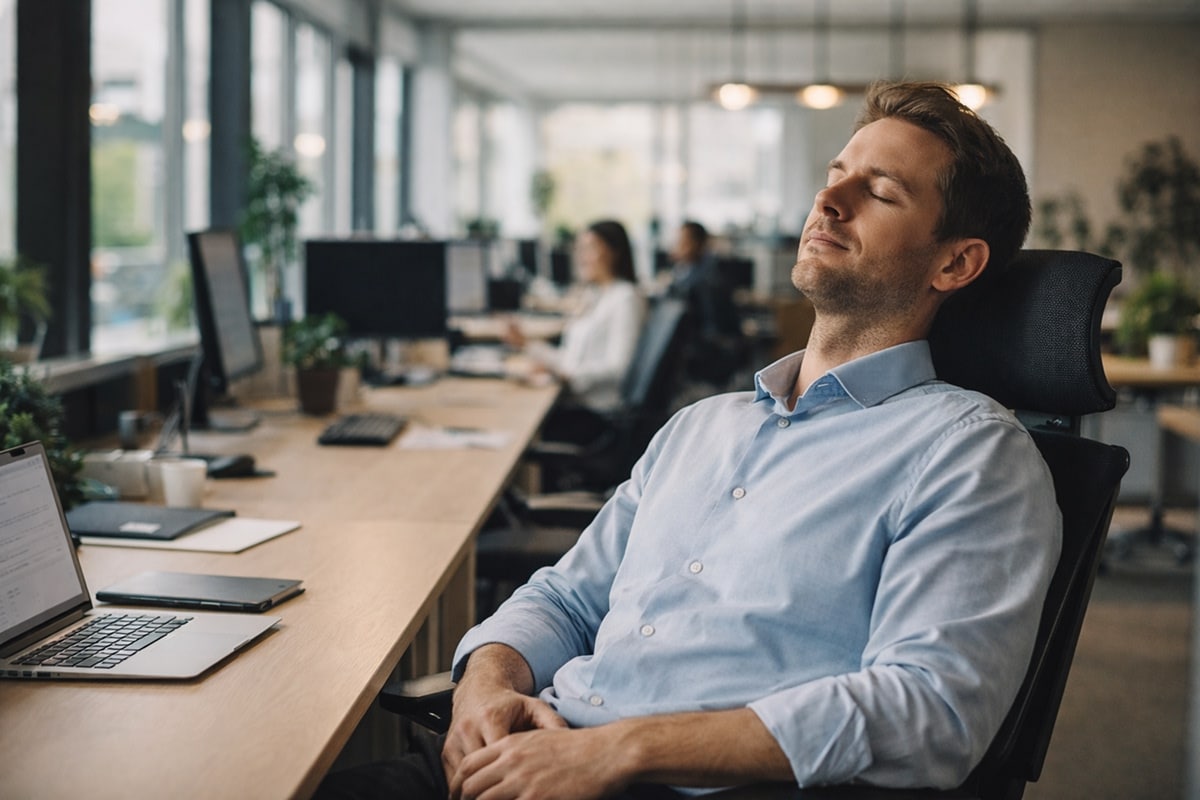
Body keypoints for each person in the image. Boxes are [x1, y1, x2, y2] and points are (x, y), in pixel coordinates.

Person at [317, 81, 1059, 799]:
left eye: (882, 192)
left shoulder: (969, 453)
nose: (829, 199)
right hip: (537, 751)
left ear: (954, 262)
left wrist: (621, 749)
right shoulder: (703, 426)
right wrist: (485, 684)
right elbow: (567, 598)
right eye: (836, 175)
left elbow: (931, 710)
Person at [505, 219, 646, 417]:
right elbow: (571, 359)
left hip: (595, 411)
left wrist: (563, 375)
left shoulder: (625, 298)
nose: (581, 257)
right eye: (580, 249)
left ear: (615, 252)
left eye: (590, 249)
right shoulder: (596, 295)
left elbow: (618, 368)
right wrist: (526, 344)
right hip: (574, 400)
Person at [663, 221, 746, 389]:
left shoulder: (709, 278)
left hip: (708, 350)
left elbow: (712, 328)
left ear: (698, 243)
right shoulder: (685, 270)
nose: (678, 247)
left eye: (683, 242)